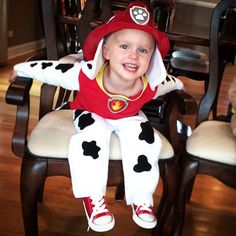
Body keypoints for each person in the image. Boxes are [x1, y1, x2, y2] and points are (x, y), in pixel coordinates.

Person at [10, 2, 183, 233]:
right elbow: (51, 70)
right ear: (106, 51)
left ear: (152, 59)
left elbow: (170, 83)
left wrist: (181, 83)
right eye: (124, 46)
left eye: (143, 50)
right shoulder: (86, 75)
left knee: (146, 140)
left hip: (129, 117)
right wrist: (22, 68)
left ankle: (141, 198)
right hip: (89, 113)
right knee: (91, 139)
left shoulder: (150, 85)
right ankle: (93, 198)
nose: (134, 55)